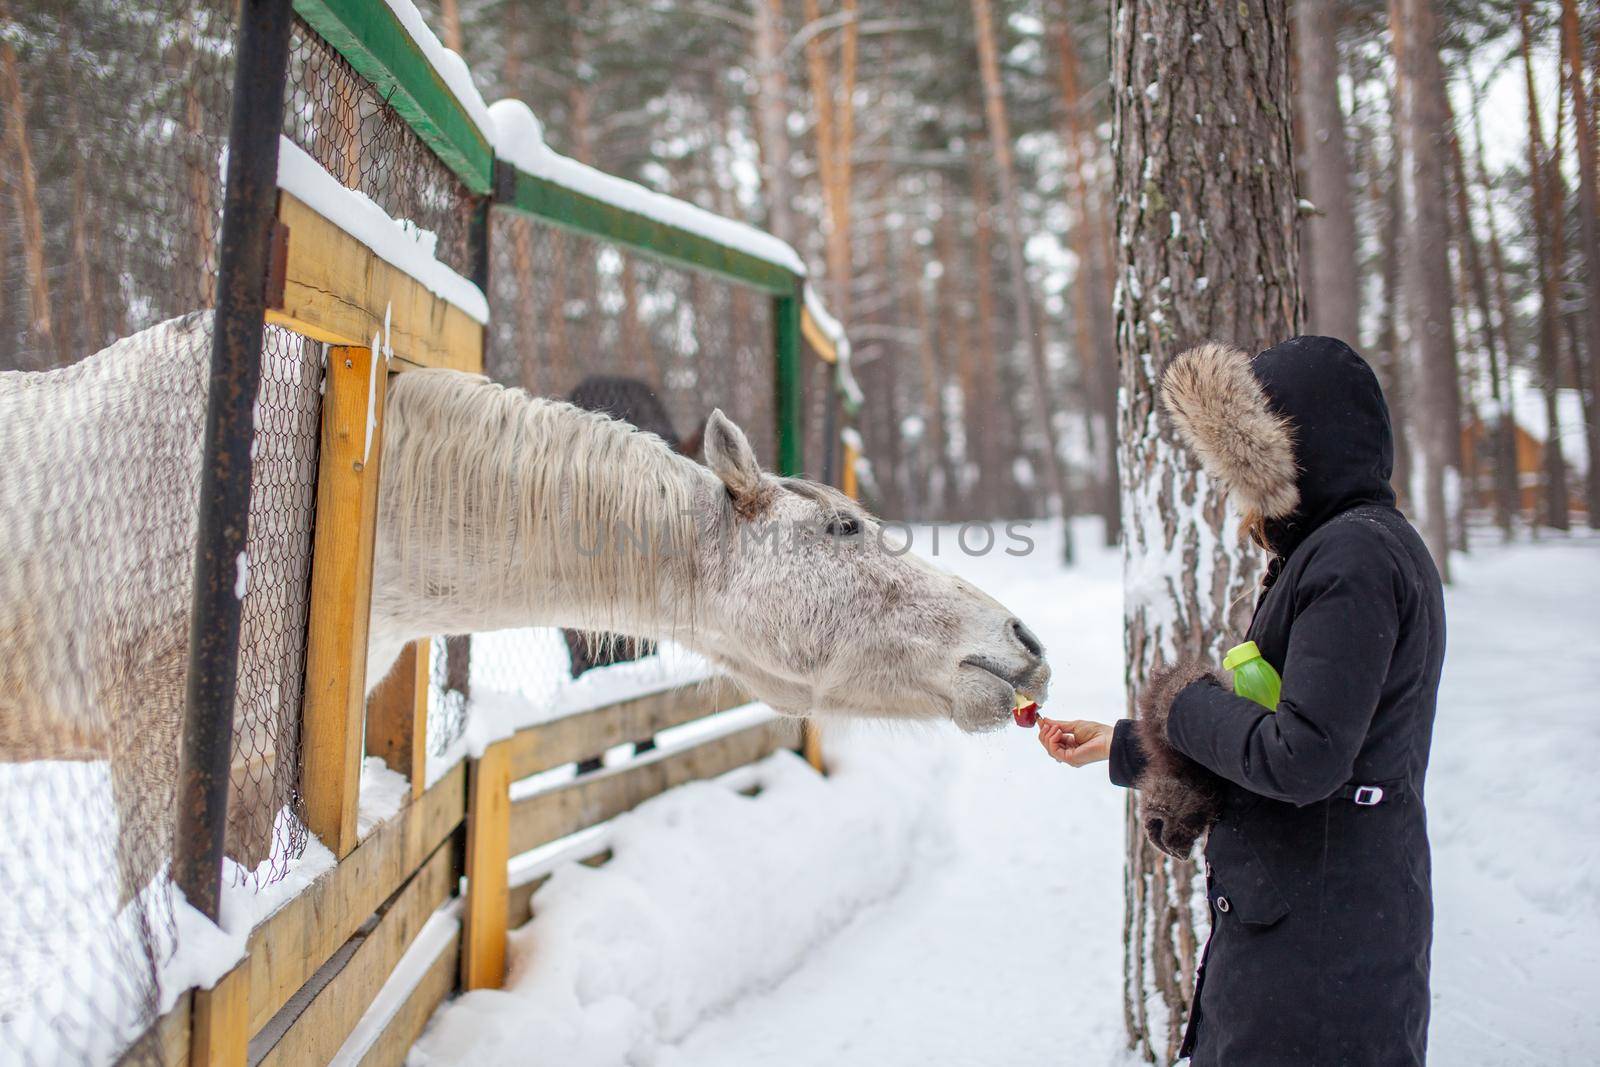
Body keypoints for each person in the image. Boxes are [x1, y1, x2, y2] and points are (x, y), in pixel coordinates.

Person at [1038, 336, 1445, 1066]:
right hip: (1314, 930)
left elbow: (1305, 756)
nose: (1237, 489)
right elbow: (1285, 733)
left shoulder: (1353, 556)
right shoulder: (1343, 549)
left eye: (1243, 460)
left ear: (1297, 445)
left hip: (1319, 959)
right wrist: (1128, 741)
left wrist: (1180, 703)